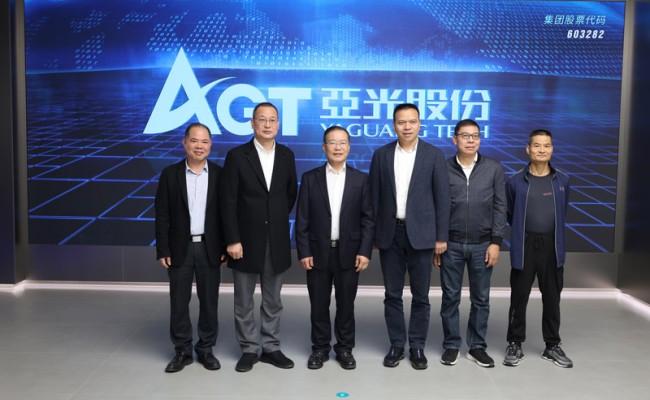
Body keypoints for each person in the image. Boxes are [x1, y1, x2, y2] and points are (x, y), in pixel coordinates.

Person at [369, 103, 451, 370]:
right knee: (392, 294)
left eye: (412, 122)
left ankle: (417, 346)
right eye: (401, 122)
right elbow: (374, 198)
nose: (407, 127)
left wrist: (441, 237)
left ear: (419, 124)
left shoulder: (434, 155)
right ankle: (396, 344)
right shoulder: (381, 155)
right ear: (394, 125)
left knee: (421, 296)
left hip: (423, 235)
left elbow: (443, 198)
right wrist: (374, 235)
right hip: (390, 233)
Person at [220, 102, 298, 372]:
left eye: (272, 120)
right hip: (244, 241)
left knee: (273, 300)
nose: (267, 124)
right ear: (252, 123)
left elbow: (290, 194)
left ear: (278, 124)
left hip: (276, 239)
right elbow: (228, 200)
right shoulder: (236, 156)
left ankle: (271, 347)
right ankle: (249, 349)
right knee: (243, 300)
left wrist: (273, 218)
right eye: (262, 119)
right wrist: (232, 239)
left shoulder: (286, 155)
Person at [295, 126, 374, 370]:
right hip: (317, 252)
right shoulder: (310, 178)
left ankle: (344, 349)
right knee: (318, 304)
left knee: (346, 305)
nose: (337, 147)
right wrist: (304, 251)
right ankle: (319, 349)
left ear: (349, 147)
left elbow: (368, 219)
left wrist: (364, 251)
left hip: (350, 252)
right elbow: (302, 219)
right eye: (332, 142)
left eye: (342, 143)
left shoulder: (361, 179)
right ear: (324, 147)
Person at [436, 119, 506, 368]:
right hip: (451, 245)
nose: (470, 140)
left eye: (475, 136)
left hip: (482, 245)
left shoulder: (494, 168)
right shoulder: (442, 168)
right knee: (450, 297)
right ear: (455, 139)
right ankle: (451, 345)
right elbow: (436, 206)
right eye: (465, 136)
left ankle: (477, 346)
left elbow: (500, 207)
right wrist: (438, 240)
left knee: (481, 298)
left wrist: (495, 242)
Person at [155, 122, 224, 373]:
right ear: (184, 143)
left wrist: (225, 246)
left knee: (209, 302)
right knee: (179, 302)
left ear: (210, 145)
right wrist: (163, 249)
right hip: (179, 248)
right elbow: (162, 214)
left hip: (210, 248)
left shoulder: (220, 174)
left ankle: (206, 349)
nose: (199, 146)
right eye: (194, 141)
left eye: (204, 141)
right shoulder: (170, 174)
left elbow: (226, 214)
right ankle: (182, 350)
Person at [503, 129, 573, 368]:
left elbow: (562, 211)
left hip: (552, 245)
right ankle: (514, 343)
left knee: (552, 297)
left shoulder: (563, 180)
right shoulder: (515, 181)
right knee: (519, 296)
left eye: (547, 146)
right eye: (537, 145)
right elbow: (511, 213)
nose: (542, 150)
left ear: (552, 149)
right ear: (528, 149)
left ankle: (552, 345)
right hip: (525, 245)